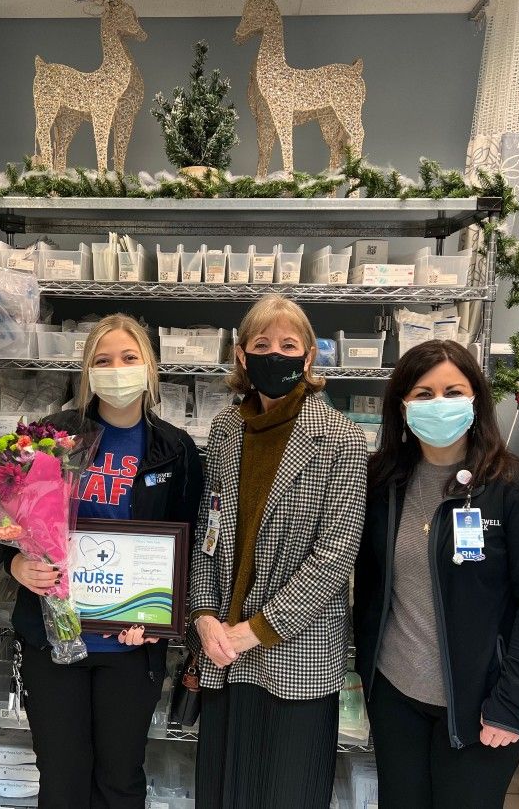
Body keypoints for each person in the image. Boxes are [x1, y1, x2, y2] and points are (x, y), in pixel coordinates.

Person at [353, 339, 519, 809]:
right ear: (402, 406)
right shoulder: (382, 481)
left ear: (476, 399)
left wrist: (511, 702)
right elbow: (368, 585)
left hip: (481, 705)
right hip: (397, 697)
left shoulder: (512, 485)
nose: (439, 404)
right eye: (424, 394)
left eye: (453, 391)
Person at [6, 314, 203, 809]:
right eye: (103, 360)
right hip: (55, 639)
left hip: (129, 648)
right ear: (87, 372)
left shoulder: (174, 449)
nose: (117, 370)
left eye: (129, 358)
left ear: (149, 368)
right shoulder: (51, 436)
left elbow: (188, 543)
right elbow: (5, 524)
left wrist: (159, 622)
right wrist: (14, 565)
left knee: (120, 778)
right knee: (62, 777)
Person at [189, 294, 368, 809]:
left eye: (288, 345)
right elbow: (209, 531)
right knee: (224, 791)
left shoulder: (341, 439)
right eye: (261, 344)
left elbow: (335, 556)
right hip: (223, 649)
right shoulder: (227, 430)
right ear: (242, 357)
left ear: (309, 358)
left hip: (295, 651)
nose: (275, 354)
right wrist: (203, 616)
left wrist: (253, 631)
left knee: (287, 792)